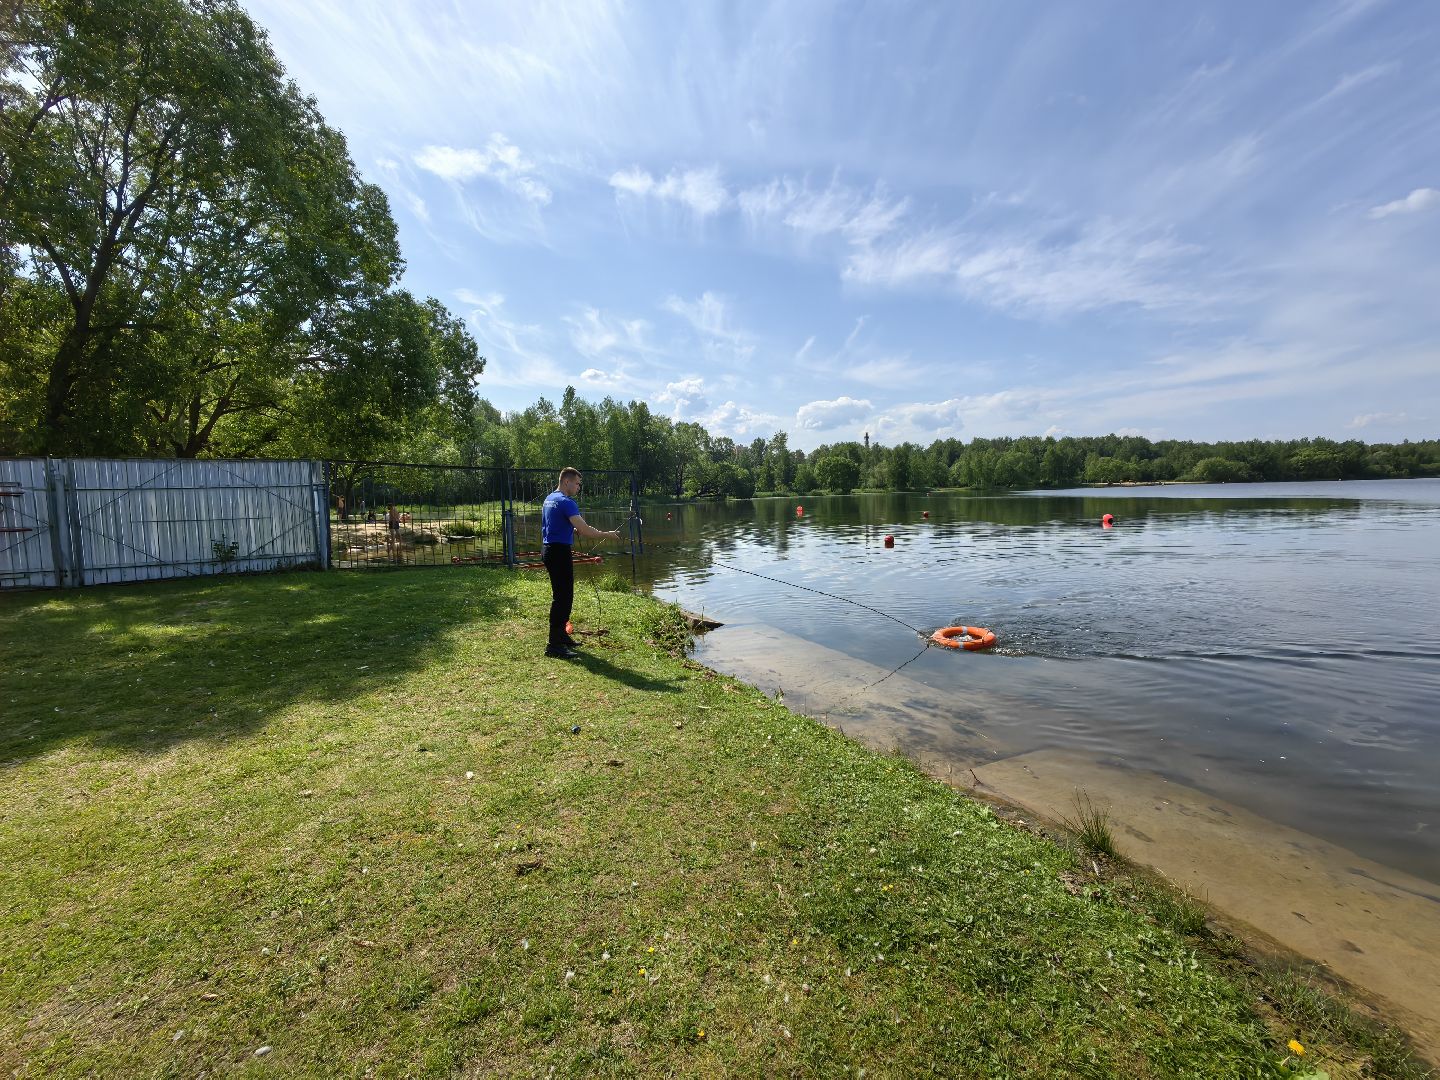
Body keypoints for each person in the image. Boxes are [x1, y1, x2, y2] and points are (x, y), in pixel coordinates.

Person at [542, 468, 621, 659]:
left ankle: (561, 636)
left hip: (549, 549)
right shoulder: (566, 502)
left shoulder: (550, 499)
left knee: (564, 595)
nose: (579, 487)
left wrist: (571, 529)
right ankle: (554, 644)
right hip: (559, 552)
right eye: (577, 483)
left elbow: (555, 523)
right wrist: (607, 534)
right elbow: (585, 530)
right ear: (567, 481)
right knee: (562, 598)